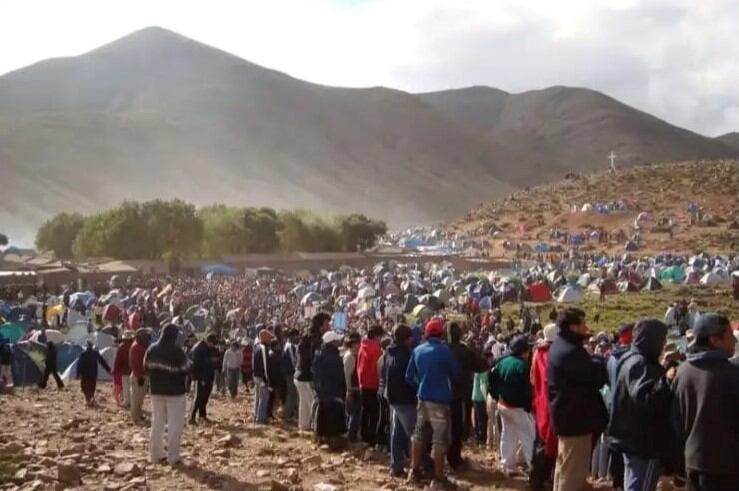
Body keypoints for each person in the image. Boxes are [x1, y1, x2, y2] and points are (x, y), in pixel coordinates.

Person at [671, 313, 739, 491]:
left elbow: (676, 421)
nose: (734, 341)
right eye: (730, 335)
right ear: (714, 340)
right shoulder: (732, 374)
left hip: (693, 462)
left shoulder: (683, 371)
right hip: (726, 468)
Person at [548, 308, 608, 491]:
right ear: (574, 327)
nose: (586, 327)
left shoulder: (559, 346)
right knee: (573, 473)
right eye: (583, 324)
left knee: (565, 467)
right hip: (576, 421)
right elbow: (594, 378)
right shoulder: (572, 353)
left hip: (566, 418)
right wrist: (598, 363)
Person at [609, 319, 672, 491]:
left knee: (633, 480)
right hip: (643, 441)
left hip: (631, 437)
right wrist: (667, 379)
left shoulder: (629, 357)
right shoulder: (642, 363)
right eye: (662, 339)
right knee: (640, 484)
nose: (664, 344)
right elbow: (647, 399)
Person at [405, 318, 460, 490]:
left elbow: (408, 376)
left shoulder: (417, 350)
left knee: (419, 436)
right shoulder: (445, 351)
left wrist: (420, 385)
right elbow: (456, 373)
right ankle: (438, 478)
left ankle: (413, 472)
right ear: (441, 333)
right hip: (440, 402)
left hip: (422, 399)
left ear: (427, 333)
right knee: (439, 441)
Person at [145, 323, 191, 466]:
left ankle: (155, 455)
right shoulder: (177, 351)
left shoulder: (151, 349)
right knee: (174, 425)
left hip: (156, 391)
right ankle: (173, 456)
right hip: (175, 393)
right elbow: (187, 368)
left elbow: (145, 367)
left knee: (157, 423)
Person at [490, 334, 535, 476]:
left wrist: (496, 396)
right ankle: (533, 467)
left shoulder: (502, 361)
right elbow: (528, 389)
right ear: (523, 350)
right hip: (518, 407)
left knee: (508, 434)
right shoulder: (523, 366)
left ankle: (507, 465)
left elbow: (492, 379)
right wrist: (528, 406)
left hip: (502, 404)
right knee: (528, 436)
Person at [446, 322, 488, 470]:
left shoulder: (443, 349)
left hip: (441, 394)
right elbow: (480, 365)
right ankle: (454, 459)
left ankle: (441, 458)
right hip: (459, 394)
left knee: (441, 428)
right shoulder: (463, 350)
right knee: (457, 427)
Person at [382, 324, 418, 477]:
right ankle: (421, 467)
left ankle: (396, 466)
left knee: (397, 433)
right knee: (415, 435)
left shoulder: (389, 353)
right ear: (406, 339)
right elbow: (410, 378)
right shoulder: (405, 356)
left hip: (393, 398)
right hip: (406, 400)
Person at [529, 323, 558, 491]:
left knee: (541, 439)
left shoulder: (538, 352)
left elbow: (532, 379)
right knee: (547, 442)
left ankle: (539, 478)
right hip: (548, 404)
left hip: (539, 401)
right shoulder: (549, 355)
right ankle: (539, 479)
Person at [606, 323, 634, 490]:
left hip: (614, 405)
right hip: (628, 408)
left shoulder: (611, 357)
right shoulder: (630, 358)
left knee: (616, 447)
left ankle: (616, 481)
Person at [294, 313, 330, 432]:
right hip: (307, 377)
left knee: (304, 405)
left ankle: (304, 428)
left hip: (299, 376)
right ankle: (316, 430)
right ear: (320, 325)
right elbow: (314, 360)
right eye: (326, 323)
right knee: (313, 405)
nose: (328, 326)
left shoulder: (306, 337)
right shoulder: (316, 340)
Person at [312, 330, 347, 444]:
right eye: (337, 340)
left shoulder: (319, 354)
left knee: (323, 415)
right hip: (333, 391)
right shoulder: (333, 357)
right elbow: (338, 376)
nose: (339, 342)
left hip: (322, 391)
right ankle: (332, 439)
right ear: (332, 342)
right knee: (333, 415)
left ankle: (322, 437)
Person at [357, 324, 383, 445]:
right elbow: (378, 367)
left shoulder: (362, 346)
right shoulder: (376, 348)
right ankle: (372, 438)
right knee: (374, 414)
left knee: (364, 412)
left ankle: (363, 436)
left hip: (363, 383)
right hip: (373, 383)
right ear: (377, 336)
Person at [189, 333, 217, 424]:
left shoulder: (205, 347)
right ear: (209, 341)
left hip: (207, 376)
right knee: (199, 397)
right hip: (202, 376)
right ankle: (192, 418)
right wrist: (201, 378)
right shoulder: (199, 348)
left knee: (205, 397)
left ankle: (202, 416)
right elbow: (198, 364)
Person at [77, 341, 112, 407]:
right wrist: (108, 369)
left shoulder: (82, 354)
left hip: (85, 374)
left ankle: (88, 400)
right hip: (93, 373)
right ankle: (91, 398)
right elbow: (102, 362)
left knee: (85, 387)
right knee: (92, 386)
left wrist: (78, 374)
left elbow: (79, 365)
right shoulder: (95, 353)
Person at [343, 332, 362, 441]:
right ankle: (351, 437)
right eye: (356, 343)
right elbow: (347, 375)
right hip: (353, 390)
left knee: (355, 414)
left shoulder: (355, 355)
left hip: (356, 389)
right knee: (353, 415)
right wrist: (349, 391)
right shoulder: (349, 356)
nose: (358, 344)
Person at [252, 329, 273, 424]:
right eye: (269, 337)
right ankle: (260, 419)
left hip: (256, 376)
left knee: (258, 398)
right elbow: (265, 365)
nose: (270, 339)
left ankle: (256, 416)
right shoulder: (263, 348)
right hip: (261, 377)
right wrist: (266, 378)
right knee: (264, 398)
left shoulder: (257, 347)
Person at [129, 328, 150, 423]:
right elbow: (135, 364)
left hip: (141, 375)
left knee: (140, 397)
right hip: (139, 376)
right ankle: (135, 417)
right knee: (136, 397)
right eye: (145, 337)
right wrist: (139, 376)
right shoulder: (137, 348)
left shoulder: (139, 346)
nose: (147, 339)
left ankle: (139, 414)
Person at [281, 328, 300, 420]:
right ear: (292, 336)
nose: (298, 337)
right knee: (291, 394)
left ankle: (291, 414)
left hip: (289, 372)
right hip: (290, 373)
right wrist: (297, 370)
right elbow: (293, 361)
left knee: (293, 394)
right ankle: (287, 414)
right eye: (296, 335)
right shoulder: (290, 346)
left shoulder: (289, 345)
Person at [113, 330, 134, 408]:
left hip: (124, 371)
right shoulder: (134, 345)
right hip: (133, 371)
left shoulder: (121, 347)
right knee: (132, 388)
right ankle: (132, 402)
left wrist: (115, 370)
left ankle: (126, 401)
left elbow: (117, 360)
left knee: (126, 387)